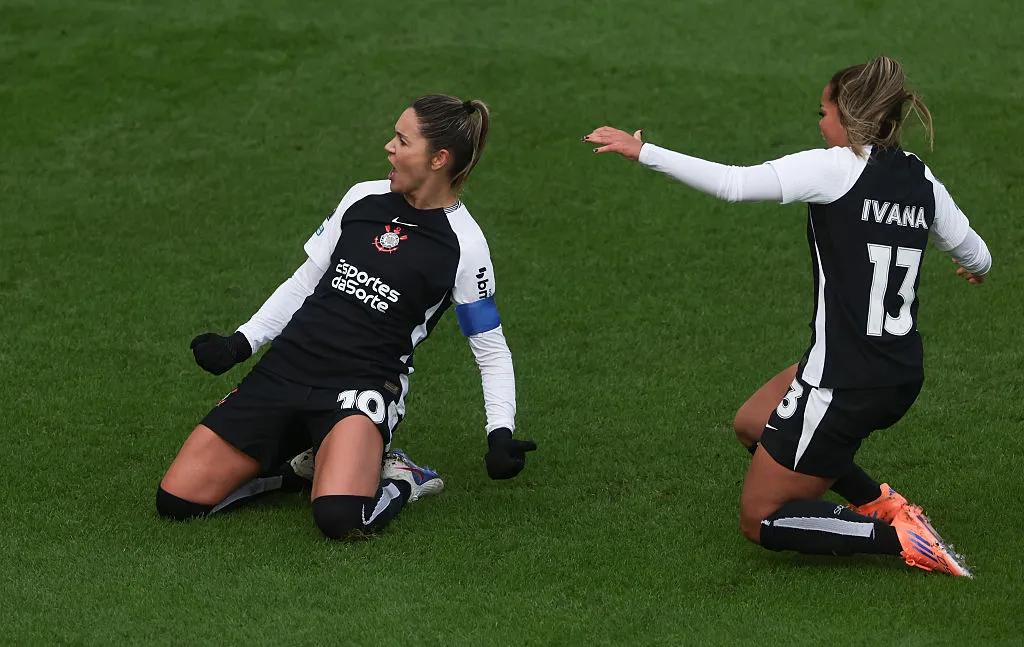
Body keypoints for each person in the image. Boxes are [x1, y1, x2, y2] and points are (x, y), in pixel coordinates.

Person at [583, 56, 990, 576]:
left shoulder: (835, 167)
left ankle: (897, 538)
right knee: (753, 423)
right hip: (899, 372)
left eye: (824, 113)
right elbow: (976, 253)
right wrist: (973, 269)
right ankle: (881, 501)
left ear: (850, 119)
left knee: (760, 519)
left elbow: (732, 184)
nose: (819, 124)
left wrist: (643, 151)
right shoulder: (921, 178)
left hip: (841, 381)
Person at [158, 94, 538, 540]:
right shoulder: (363, 198)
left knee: (339, 519)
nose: (388, 148)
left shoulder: (464, 245)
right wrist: (242, 341)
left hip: (360, 387)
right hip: (287, 369)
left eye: (402, 140)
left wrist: (500, 432)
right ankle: (303, 470)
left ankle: (400, 479)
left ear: (438, 159)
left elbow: (490, 348)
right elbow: (305, 282)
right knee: (177, 502)